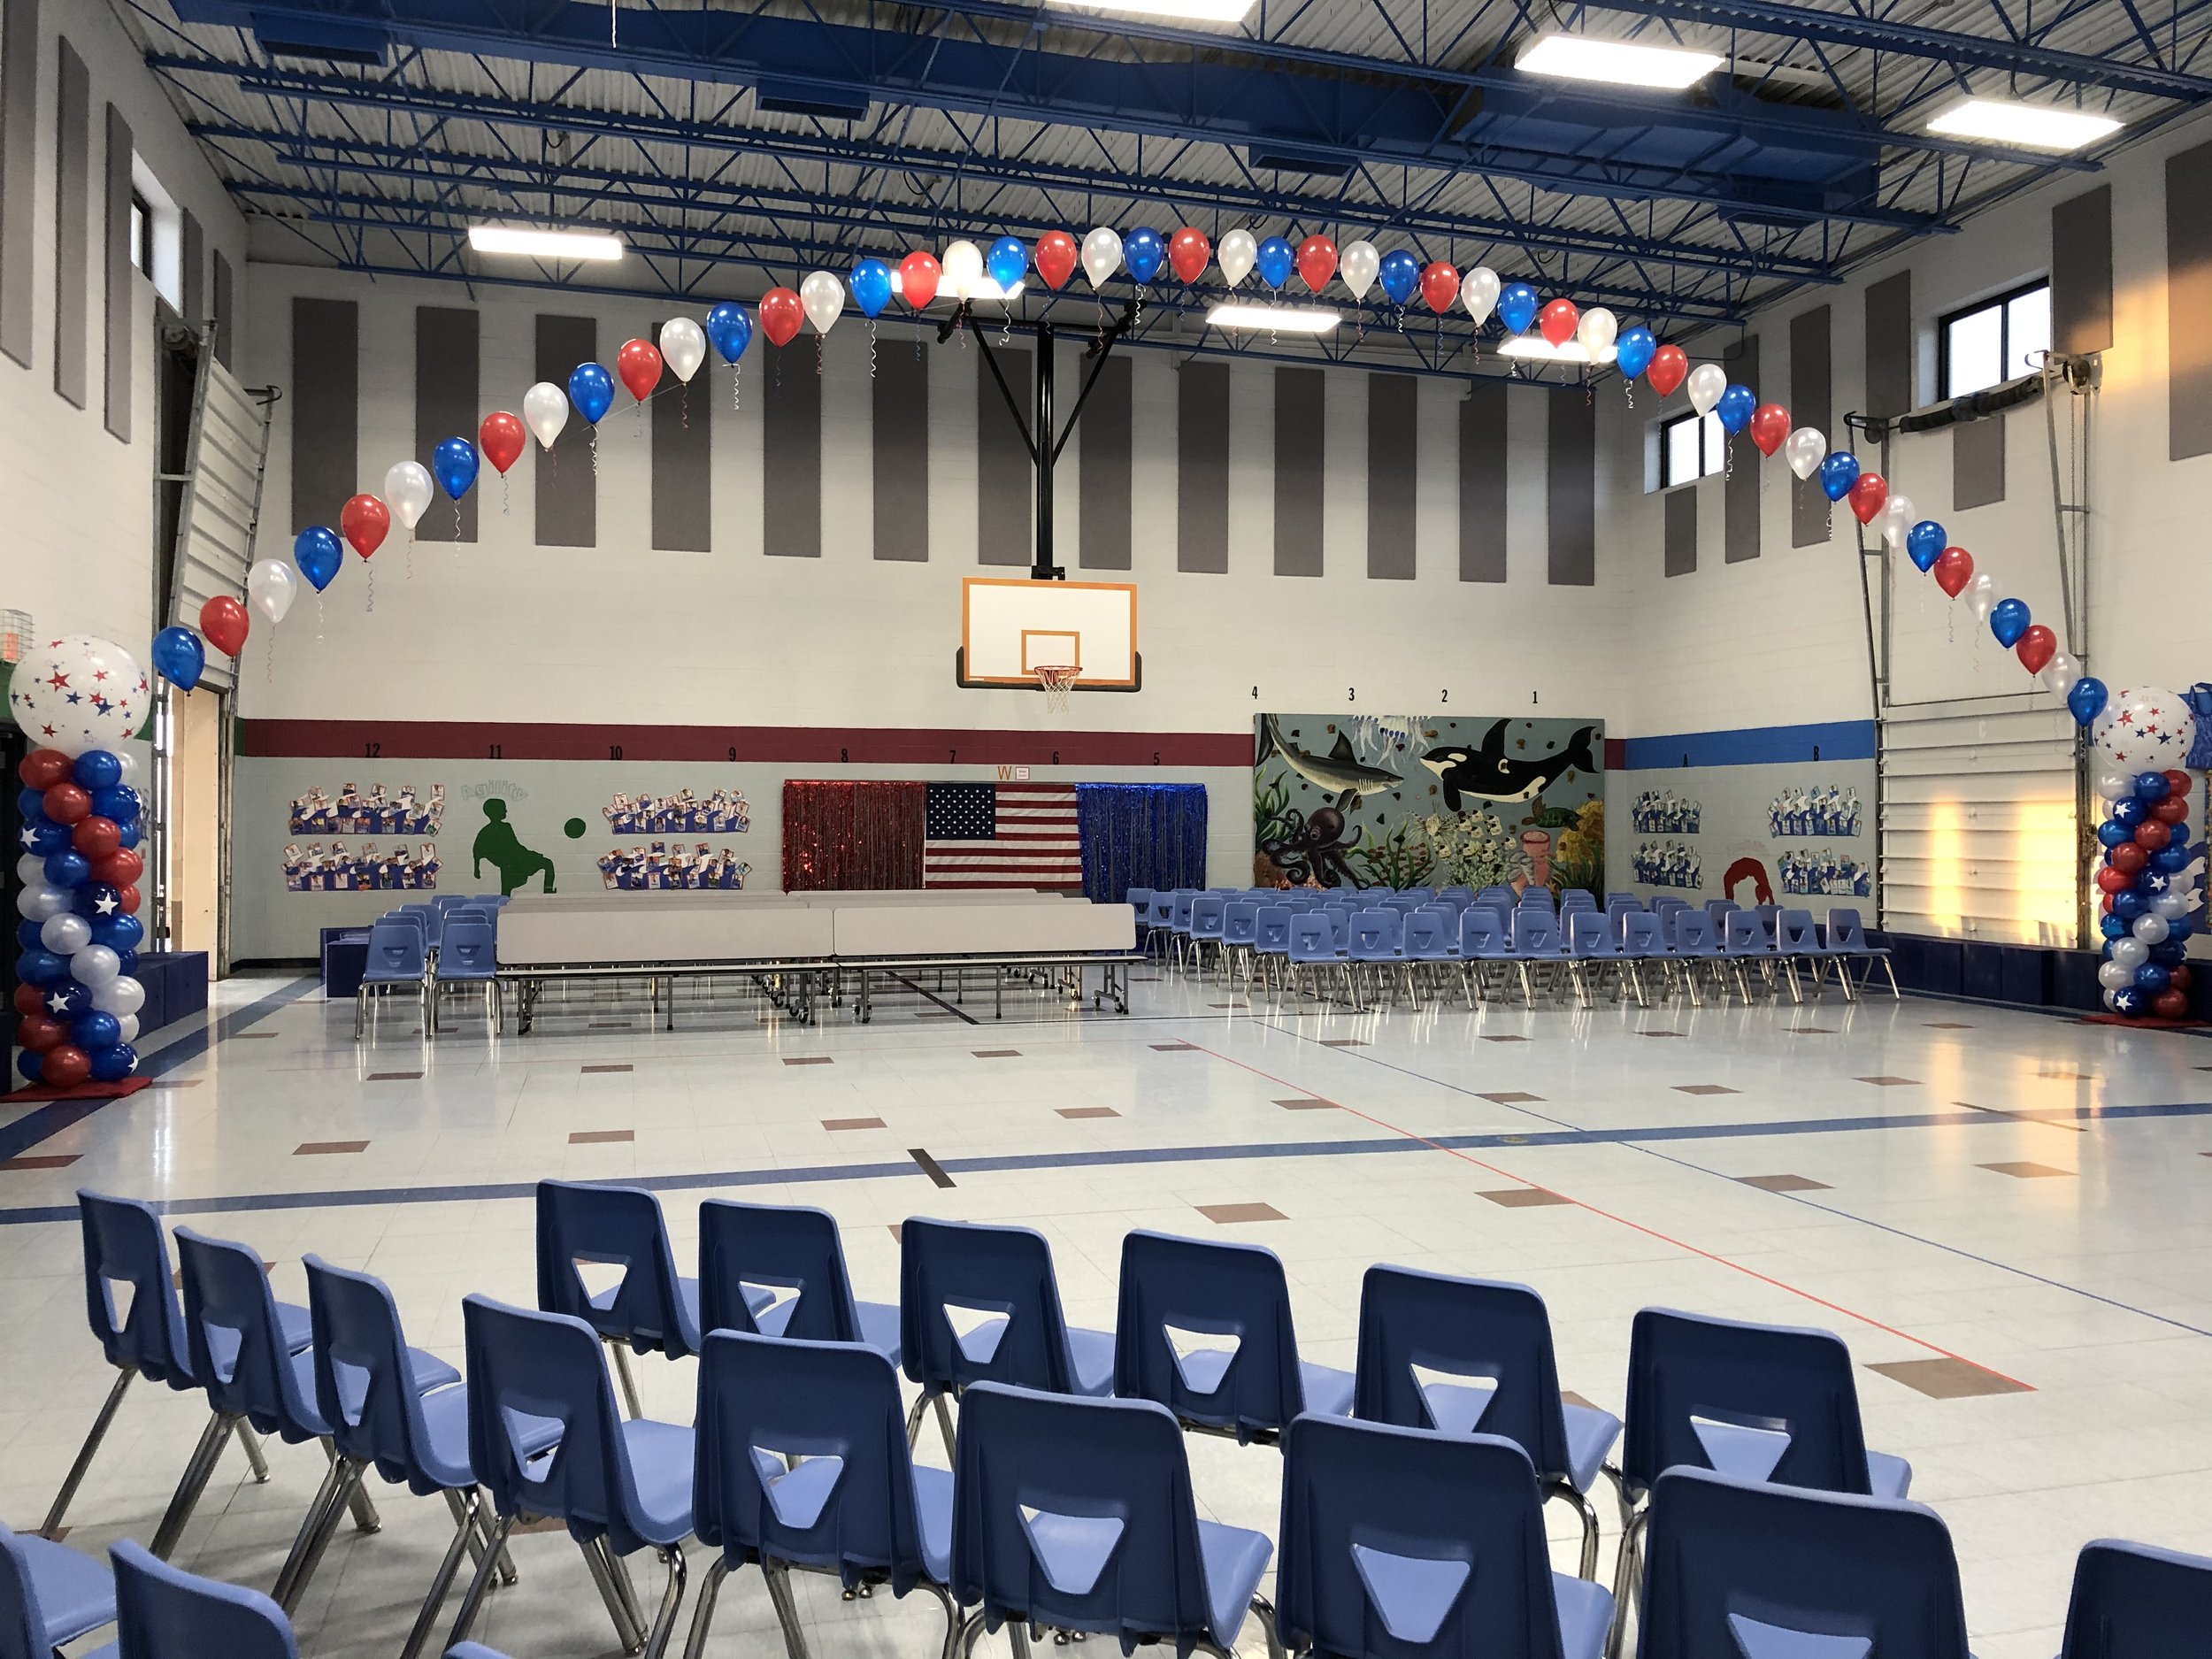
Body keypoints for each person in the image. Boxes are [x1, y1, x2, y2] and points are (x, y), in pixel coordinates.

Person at [472, 798, 556, 895]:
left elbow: (477, 852)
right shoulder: (504, 828)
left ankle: (547, 891)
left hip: (509, 864)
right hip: (515, 862)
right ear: (497, 811)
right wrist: (530, 854)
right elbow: (515, 847)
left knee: (506, 890)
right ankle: (548, 891)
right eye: (504, 809)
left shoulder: (486, 831)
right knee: (548, 863)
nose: (506, 811)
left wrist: (477, 869)